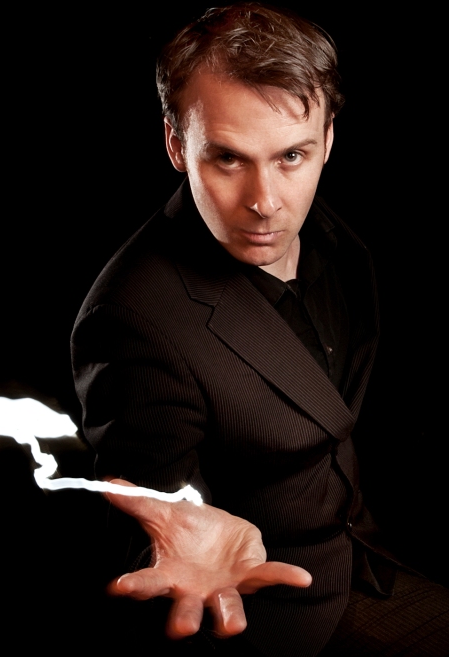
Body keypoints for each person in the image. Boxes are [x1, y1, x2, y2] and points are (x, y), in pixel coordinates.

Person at [71, 4, 448, 656]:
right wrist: (178, 543)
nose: (266, 201)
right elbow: (149, 514)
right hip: (280, 616)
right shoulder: (132, 319)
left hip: (375, 551)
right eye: (227, 158)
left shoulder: (338, 239)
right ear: (176, 146)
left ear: (327, 139)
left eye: (291, 155)